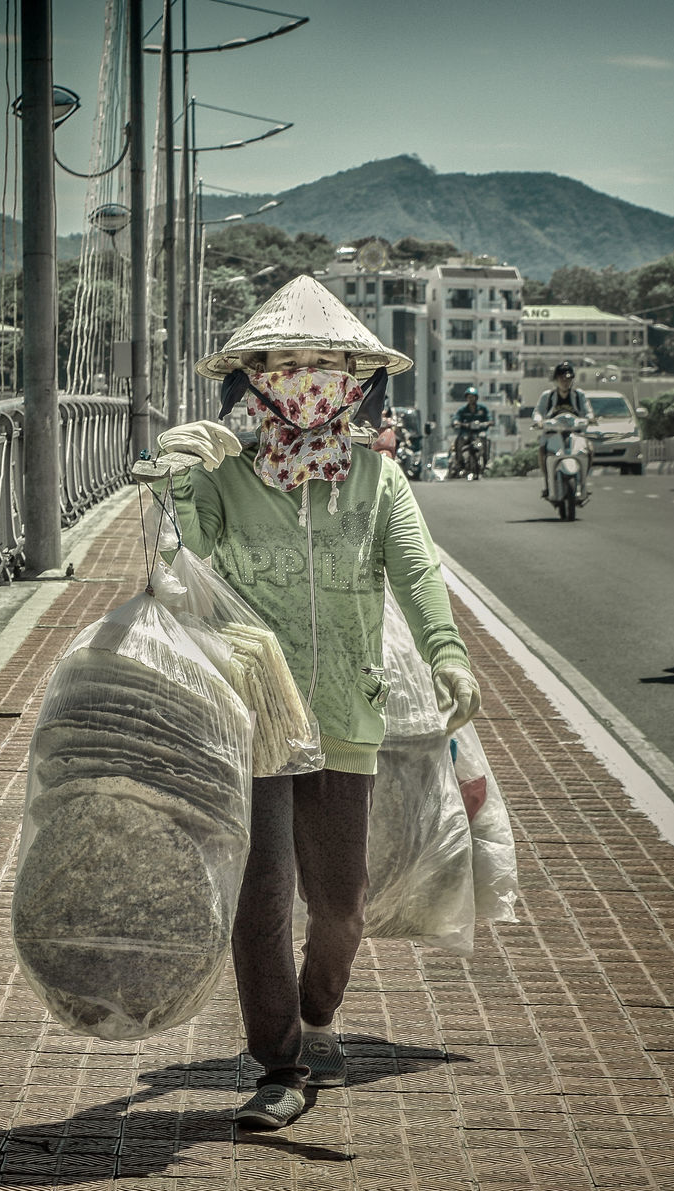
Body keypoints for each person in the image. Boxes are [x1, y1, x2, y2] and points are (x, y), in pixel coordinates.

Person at [140, 276, 480, 1130]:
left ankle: (318, 1015)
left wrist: (447, 654)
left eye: (322, 363)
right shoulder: (223, 476)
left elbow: (416, 573)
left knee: (340, 903)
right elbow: (187, 566)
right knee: (258, 899)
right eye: (285, 362)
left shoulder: (374, 480)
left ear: (354, 380)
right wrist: (175, 483)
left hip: (344, 712)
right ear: (252, 377)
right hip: (248, 710)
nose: (305, 377)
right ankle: (279, 1064)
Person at [533, 361, 595, 503]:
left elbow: (588, 411)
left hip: (576, 433)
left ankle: (583, 482)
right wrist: (539, 421)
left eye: (568, 379)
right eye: (562, 379)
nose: (565, 382)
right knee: (543, 451)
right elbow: (538, 412)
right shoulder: (547, 396)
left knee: (589, 449)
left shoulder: (579, 395)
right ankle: (548, 484)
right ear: (555, 380)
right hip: (552, 434)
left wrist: (590, 419)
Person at [451, 386, 492, 472]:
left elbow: (490, 420)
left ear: (476, 398)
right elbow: (456, 418)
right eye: (469, 397)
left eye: (472, 397)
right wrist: (457, 423)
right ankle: (460, 461)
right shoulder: (462, 410)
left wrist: (486, 423)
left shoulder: (483, 409)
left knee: (485, 439)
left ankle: (486, 460)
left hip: (479, 433)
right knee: (460, 440)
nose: (471, 399)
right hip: (466, 433)